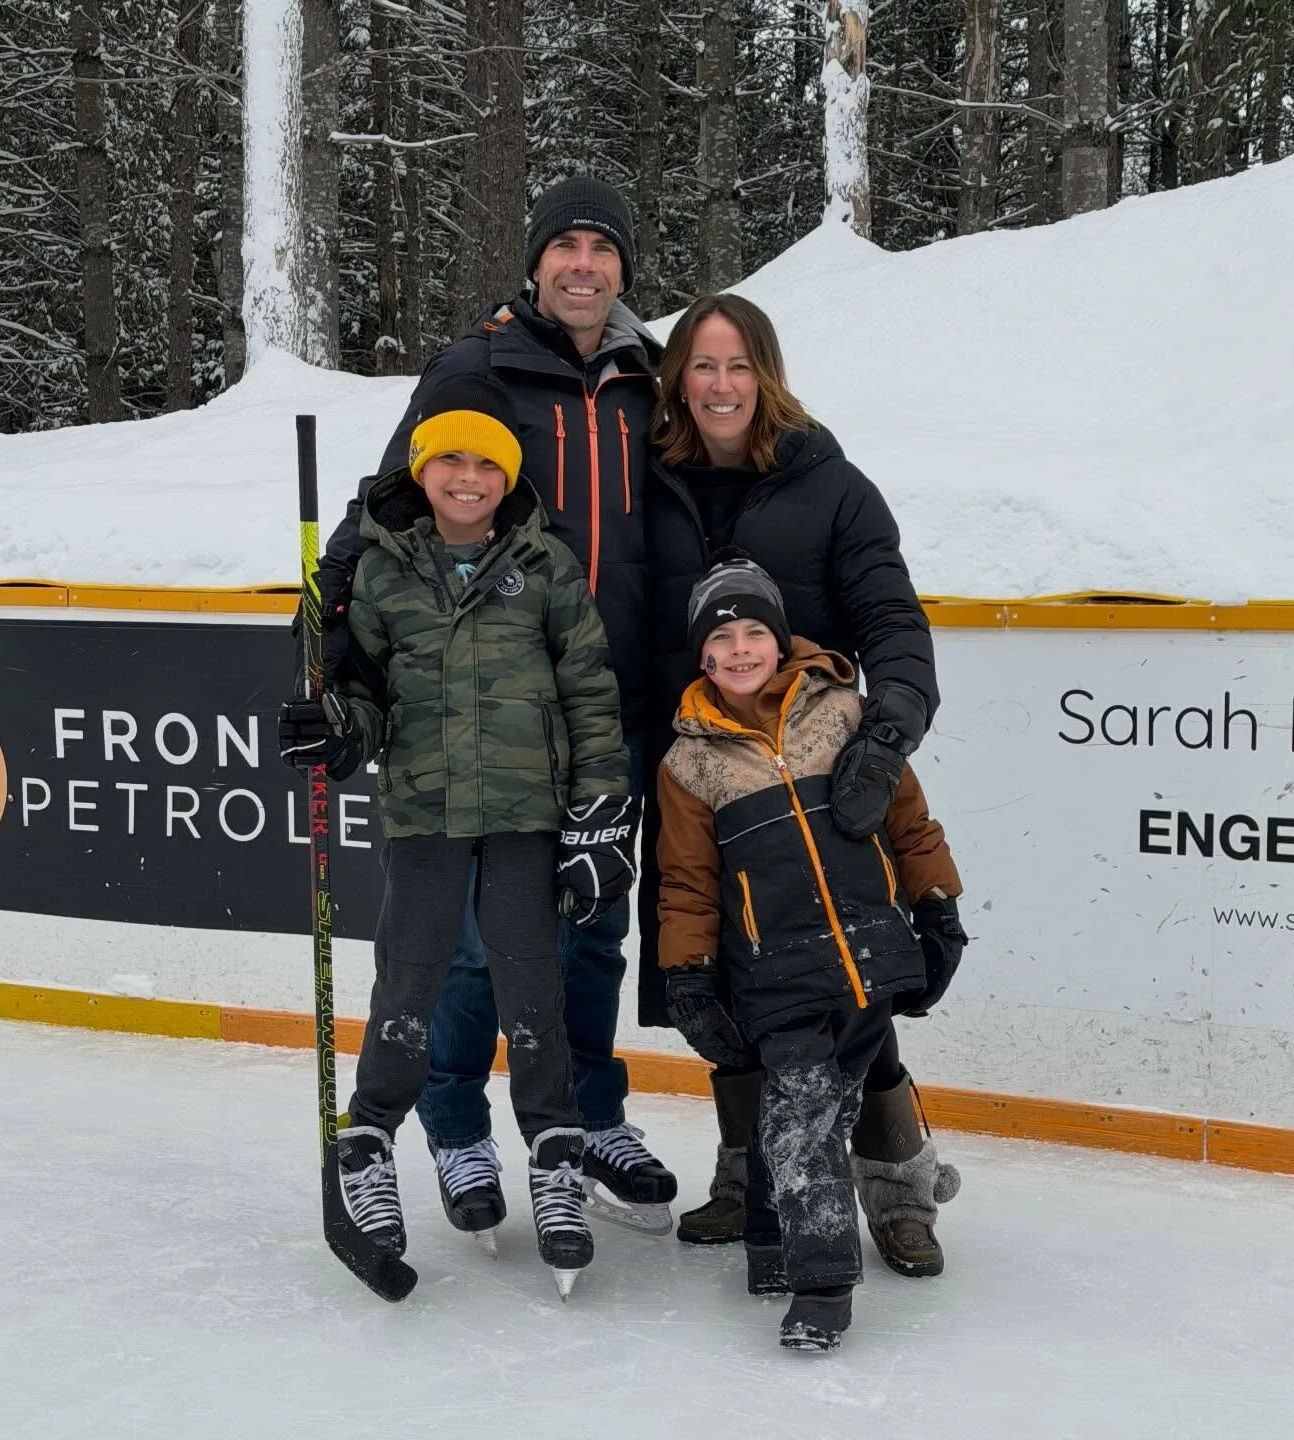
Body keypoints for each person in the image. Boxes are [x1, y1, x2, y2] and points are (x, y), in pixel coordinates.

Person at [287, 176, 677, 1235]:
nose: (585, 265)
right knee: (463, 942)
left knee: (591, 929)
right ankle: (457, 1128)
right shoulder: (478, 364)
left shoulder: (653, 377)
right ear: (537, 261)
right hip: (480, 706)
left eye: (605, 248)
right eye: (567, 247)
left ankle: (586, 1118)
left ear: (626, 270)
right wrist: (324, 634)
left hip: (612, 697)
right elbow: (387, 507)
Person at [280, 375, 638, 1297]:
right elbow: (360, 695)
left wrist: (600, 811)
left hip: (528, 818)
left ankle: (555, 1155)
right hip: (427, 815)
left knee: (533, 985)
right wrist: (339, 729)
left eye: (487, 462)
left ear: (508, 477)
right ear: (421, 466)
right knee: (410, 980)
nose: (468, 477)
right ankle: (368, 1149)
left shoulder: (546, 565)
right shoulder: (381, 568)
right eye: (450, 459)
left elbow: (591, 697)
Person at [640, 292, 964, 1275]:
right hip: (699, 776)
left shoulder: (833, 485)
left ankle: (898, 1182)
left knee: (844, 985)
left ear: (767, 373)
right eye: (702, 365)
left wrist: (888, 734)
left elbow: (894, 625)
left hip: (823, 786)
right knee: (731, 989)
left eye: (739, 365)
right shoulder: (647, 483)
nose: (720, 385)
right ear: (678, 379)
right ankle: (753, 1179)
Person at [656, 557, 965, 1350]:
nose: (740, 649)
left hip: (868, 953)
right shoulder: (689, 761)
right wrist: (687, 976)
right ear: (702, 656)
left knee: (839, 1097)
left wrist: (938, 908)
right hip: (775, 970)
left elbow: (911, 823)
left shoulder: (845, 713)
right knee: (799, 1116)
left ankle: (771, 1236)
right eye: (721, 638)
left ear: (780, 637)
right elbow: (687, 883)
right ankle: (821, 1281)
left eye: (754, 631)